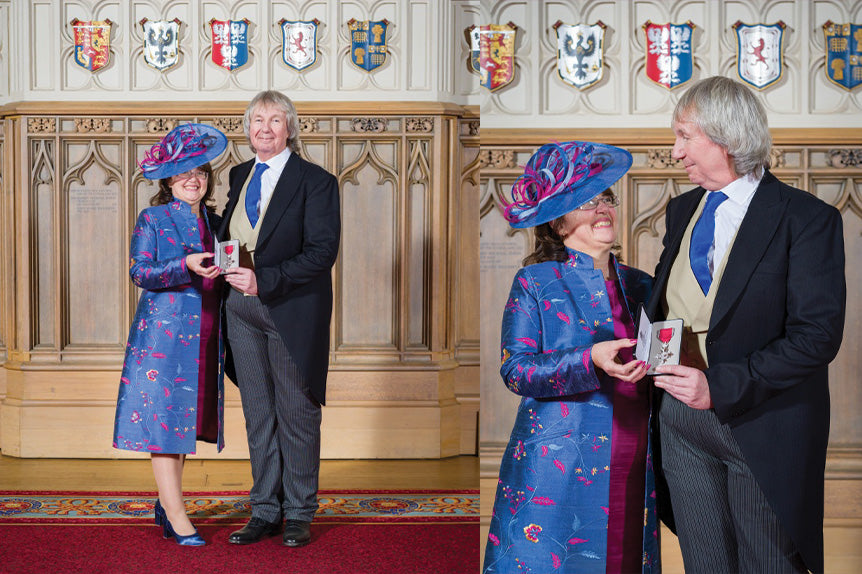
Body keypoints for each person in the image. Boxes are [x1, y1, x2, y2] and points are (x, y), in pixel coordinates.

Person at [647, 76, 846, 573]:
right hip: (680, 423)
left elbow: (816, 336)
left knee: (768, 564)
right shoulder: (682, 209)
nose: (675, 153)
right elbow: (673, 308)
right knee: (706, 563)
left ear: (726, 136)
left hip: (762, 424)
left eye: (684, 136)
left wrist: (718, 385)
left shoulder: (807, 219)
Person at [483, 141, 659, 574]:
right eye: (585, 202)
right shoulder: (535, 281)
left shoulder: (642, 285)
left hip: (638, 448)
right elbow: (516, 370)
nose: (602, 209)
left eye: (606, 199)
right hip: (559, 454)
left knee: (624, 556)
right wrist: (590, 359)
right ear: (558, 223)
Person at [217, 90, 341, 548]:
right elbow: (234, 234)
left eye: (274, 120)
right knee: (258, 415)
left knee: (296, 415)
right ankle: (265, 510)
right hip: (241, 312)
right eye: (256, 120)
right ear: (247, 129)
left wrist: (263, 280)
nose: (264, 128)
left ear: (289, 127)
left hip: (289, 310)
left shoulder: (316, 181)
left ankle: (299, 513)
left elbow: (321, 253)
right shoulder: (238, 174)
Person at [113, 123, 228, 546]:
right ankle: (176, 513)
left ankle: (168, 501)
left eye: (198, 170)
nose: (192, 179)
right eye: (182, 173)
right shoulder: (154, 218)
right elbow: (138, 272)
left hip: (206, 336)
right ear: (167, 180)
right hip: (162, 338)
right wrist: (185, 265)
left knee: (183, 423)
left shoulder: (215, 223)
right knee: (164, 424)